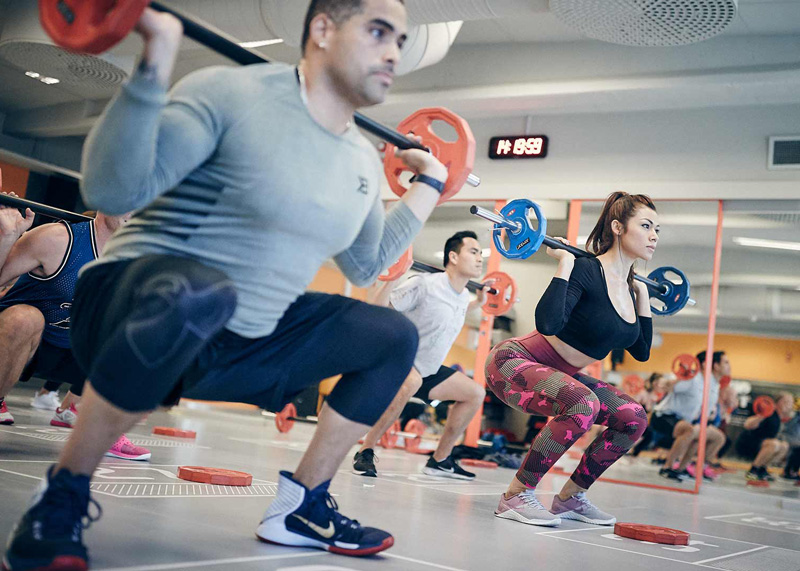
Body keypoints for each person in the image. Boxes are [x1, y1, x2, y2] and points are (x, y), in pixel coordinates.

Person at [4, 0, 454, 568]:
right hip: (129, 308)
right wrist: (154, 66)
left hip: (240, 336)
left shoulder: (361, 163)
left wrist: (429, 184)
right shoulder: (232, 93)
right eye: (378, 32)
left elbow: (368, 266)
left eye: (401, 40)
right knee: (201, 289)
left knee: (391, 335)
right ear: (321, 29)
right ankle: (63, 495)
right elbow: (113, 192)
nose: (393, 51)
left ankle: (301, 505)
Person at [486, 191, 655, 527]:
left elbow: (641, 350)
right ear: (618, 227)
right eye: (646, 225)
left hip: (560, 375)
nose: (654, 235)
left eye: (658, 229)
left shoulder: (630, 288)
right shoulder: (586, 269)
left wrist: (644, 297)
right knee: (584, 403)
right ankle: (516, 495)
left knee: (633, 416)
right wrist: (565, 263)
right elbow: (548, 324)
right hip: (513, 363)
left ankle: (570, 499)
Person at [0, 198, 146, 463]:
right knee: (25, 318)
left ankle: (82, 412)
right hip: (23, 343)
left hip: (72, 352)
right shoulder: (57, 239)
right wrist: (7, 238)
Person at [353, 231, 488, 479]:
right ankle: (366, 449)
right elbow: (379, 309)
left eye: (481, 253)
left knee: (475, 393)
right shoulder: (425, 284)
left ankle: (440, 460)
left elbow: (447, 312)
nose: (480, 258)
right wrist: (392, 278)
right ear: (453, 257)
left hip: (428, 368)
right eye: (473, 251)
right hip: (397, 359)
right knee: (412, 381)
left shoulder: (461, 296)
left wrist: (477, 304)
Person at [655, 351, 729, 482]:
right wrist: (671, 380)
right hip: (663, 417)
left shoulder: (714, 384)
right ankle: (667, 467)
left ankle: (683, 469)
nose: (729, 366)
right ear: (712, 365)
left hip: (684, 421)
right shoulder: (693, 379)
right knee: (691, 430)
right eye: (726, 362)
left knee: (716, 436)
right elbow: (669, 386)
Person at [738, 391, 794, 482]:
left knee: (784, 446)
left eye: (790, 403)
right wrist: (760, 417)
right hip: (748, 444)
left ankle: (762, 469)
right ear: (778, 402)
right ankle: (753, 471)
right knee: (774, 443)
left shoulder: (780, 417)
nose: (789, 405)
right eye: (786, 402)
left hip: (763, 445)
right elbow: (747, 424)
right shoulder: (769, 412)